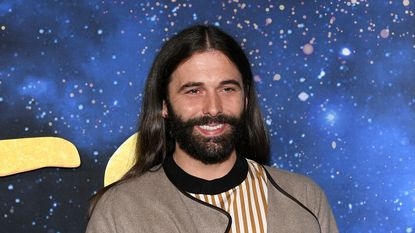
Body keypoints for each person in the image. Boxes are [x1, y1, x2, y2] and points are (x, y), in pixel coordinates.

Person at [86, 25, 338, 233]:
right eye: (194, 91)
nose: (213, 108)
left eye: (227, 89)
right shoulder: (120, 210)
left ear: (246, 99)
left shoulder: (305, 198)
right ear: (164, 104)